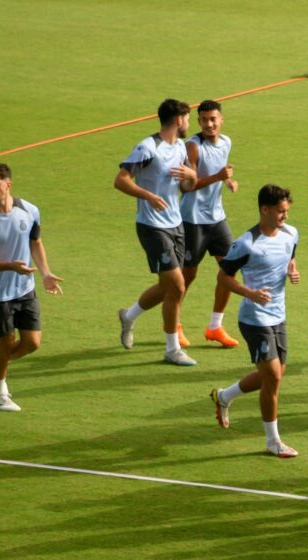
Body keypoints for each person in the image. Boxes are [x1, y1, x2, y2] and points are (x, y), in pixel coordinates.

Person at [209, 185, 300, 457]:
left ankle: (224, 396)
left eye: (287, 211)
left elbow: (290, 258)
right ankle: (273, 441)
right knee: (272, 376)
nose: (285, 216)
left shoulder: (291, 233)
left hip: (279, 315)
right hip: (254, 317)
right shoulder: (247, 243)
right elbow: (223, 277)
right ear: (265, 209)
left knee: (272, 376)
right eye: (280, 211)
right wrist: (249, 293)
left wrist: (292, 271)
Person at [114, 98, 199, 366]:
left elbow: (185, 187)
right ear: (177, 120)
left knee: (167, 288)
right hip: (152, 226)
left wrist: (191, 176)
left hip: (176, 224)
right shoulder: (148, 148)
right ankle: (172, 348)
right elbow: (121, 180)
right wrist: (147, 195)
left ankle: (128, 316)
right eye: (187, 118)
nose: (189, 123)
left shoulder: (182, 148)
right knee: (177, 285)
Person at [0, 164, 64, 412]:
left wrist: (45, 273)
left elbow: (35, 242)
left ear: (8, 184)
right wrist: (9, 266)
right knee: (4, 343)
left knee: (32, 342)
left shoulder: (29, 210)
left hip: (24, 289)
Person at [179, 99, 240, 349]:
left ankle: (215, 326)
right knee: (187, 275)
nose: (209, 124)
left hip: (217, 218)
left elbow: (220, 172)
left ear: (221, 120)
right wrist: (218, 177)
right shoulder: (192, 147)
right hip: (193, 219)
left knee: (229, 269)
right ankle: (174, 326)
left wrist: (227, 183)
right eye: (204, 120)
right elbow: (188, 186)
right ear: (199, 121)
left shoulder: (226, 142)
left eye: (213, 119)